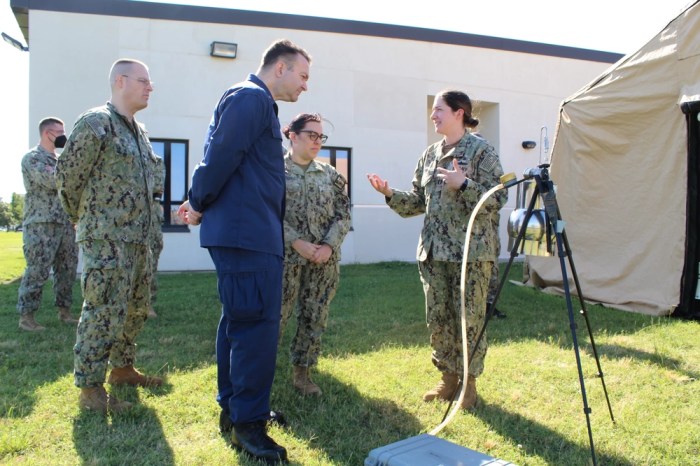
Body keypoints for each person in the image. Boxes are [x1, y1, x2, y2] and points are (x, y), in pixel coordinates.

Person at [177, 39, 311, 464]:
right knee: (255, 327)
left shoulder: (256, 102)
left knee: (240, 321)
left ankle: (237, 409)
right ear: (280, 69)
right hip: (245, 234)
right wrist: (198, 201)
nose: (305, 86)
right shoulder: (251, 97)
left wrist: (200, 200)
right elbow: (220, 155)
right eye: (302, 76)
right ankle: (248, 425)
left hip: (250, 233)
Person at [367, 89, 507, 410]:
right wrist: (390, 193)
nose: (433, 116)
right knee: (439, 320)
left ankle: (469, 384)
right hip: (433, 255)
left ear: (459, 112)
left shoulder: (481, 152)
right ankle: (448, 379)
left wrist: (465, 185)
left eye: (439, 110)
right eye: (433, 110)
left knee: (468, 320)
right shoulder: (430, 154)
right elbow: (418, 201)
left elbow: (498, 198)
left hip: (469, 256)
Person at [56, 58, 163, 415]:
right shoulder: (95, 124)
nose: (150, 87)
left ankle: (122, 369)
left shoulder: (139, 131)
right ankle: (90, 389)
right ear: (120, 81)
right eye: (143, 81)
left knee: (134, 310)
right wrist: (83, 219)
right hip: (107, 239)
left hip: (139, 241)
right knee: (102, 311)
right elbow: (68, 177)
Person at [279, 113, 350, 397]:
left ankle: (303, 373)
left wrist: (329, 246)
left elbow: (343, 214)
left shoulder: (330, 174)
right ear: (292, 135)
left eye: (321, 137)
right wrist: (296, 242)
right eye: (312, 135)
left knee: (315, 315)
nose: (317, 141)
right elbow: (267, 214)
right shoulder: (273, 171)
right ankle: (260, 375)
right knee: (275, 317)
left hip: (323, 261)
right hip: (285, 259)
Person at [16, 117, 79, 332]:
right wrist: (73, 172)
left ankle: (65, 312)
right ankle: (27, 316)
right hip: (41, 224)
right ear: (46, 133)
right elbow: (53, 181)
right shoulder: (32, 158)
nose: (63, 136)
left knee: (67, 270)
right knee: (37, 270)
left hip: (65, 224)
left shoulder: (61, 161)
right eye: (59, 131)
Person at [148, 155, 165, 319]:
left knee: (151, 258)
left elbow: (157, 188)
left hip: (151, 214)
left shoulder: (156, 161)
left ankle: (148, 303)